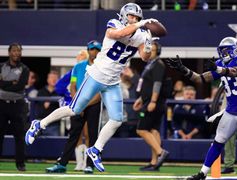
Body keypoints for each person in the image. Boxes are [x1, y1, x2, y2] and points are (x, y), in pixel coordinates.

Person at [25, 2, 162, 172]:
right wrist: (140, 24)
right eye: (131, 16)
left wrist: (148, 42)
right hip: (96, 75)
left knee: (116, 120)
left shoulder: (140, 34)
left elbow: (145, 57)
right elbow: (119, 33)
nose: (134, 19)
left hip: (112, 82)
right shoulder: (115, 23)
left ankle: (95, 149)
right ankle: (39, 124)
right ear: (123, 15)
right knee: (74, 110)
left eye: (137, 17)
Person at [165, 37, 237, 180]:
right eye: (222, 51)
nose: (224, 54)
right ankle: (202, 173)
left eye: (227, 50)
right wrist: (184, 70)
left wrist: (219, 69)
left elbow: (236, 71)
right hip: (231, 111)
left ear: (236, 49)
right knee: (218, 142)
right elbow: (200, 78)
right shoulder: (220, 64)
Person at [45, 40, 102, 174]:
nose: (94, 52)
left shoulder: (102, 69)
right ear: (88, 51)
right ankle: (62, 164)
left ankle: (89, 165)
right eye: (92, 49)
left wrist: (82, 105)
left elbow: (99, 93)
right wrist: (78, 104)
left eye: (97, 49)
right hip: (78, 104)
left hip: (93, 104)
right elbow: (72, 86)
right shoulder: (78, 67)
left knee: (93, 135)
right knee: (73, 135)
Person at [133, 41, 169, 171]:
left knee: (141, 129)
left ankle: (160, 153)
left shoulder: (158, 64)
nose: (149, 52)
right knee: (153, 130)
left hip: (154, 103)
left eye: (152, 50)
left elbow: (157, 84)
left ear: (157, 51)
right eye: (149, 50)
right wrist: (141, 99)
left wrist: (152, 101)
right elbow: (147, 85)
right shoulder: (150, 64)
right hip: (149, 101)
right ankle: (154, 162)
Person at [0, 43, 29, 171]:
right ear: (9, 52)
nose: (16, 53)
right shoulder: (1, 66)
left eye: (19, 51)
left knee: (19, 135)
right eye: (14, 50)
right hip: (1, 104)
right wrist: (11, 82)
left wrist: (4, 83)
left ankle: (20, 164)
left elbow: (20, 86)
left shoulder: (25, 69)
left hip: (17, 105)